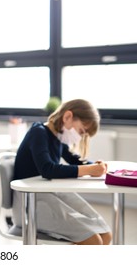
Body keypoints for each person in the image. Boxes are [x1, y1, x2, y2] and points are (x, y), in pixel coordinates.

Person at [12, 99, 112, 245]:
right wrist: (88, 170)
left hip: (49, 192)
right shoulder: (38, 133)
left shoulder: (58, 137)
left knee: (105, 235)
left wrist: (95, 166)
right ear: (67, 117)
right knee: (93, 240)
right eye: (81, 131)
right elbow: (47, 169)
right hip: (29, 201)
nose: (79, 137)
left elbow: (75, 160)